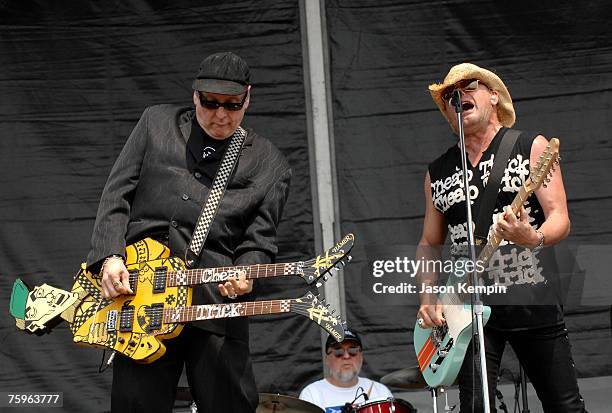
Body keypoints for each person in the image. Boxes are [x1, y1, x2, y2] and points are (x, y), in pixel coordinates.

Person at [86, 51, 291, 413]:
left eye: (232, 104)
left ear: (248, 97)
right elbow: (116, 192)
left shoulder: (269, 163)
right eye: (210, 103)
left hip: (213, 305)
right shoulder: (156, 123)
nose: (221, 115)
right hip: (142, 299)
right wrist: (110, 256)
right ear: (194, 96)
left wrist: (246, 275)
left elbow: (259, 241)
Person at [415, 62, 585, 412]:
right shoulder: (438, 172)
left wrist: (532, 237)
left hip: (531, 296)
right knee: (476, 408)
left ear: (494, 96)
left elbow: (560, 219)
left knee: (564, 406)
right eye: (449, 94)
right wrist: (427, 297)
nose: (457, 96)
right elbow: (429, 243)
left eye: (468, 86)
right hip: (468, 310)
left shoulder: (530, 147)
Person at [299, 329, 394, 413]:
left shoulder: (380, 392)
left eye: (353, 351)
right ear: (327, 359)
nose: (346, 356)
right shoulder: (312, 394)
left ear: (361, 357)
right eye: (338, 352)